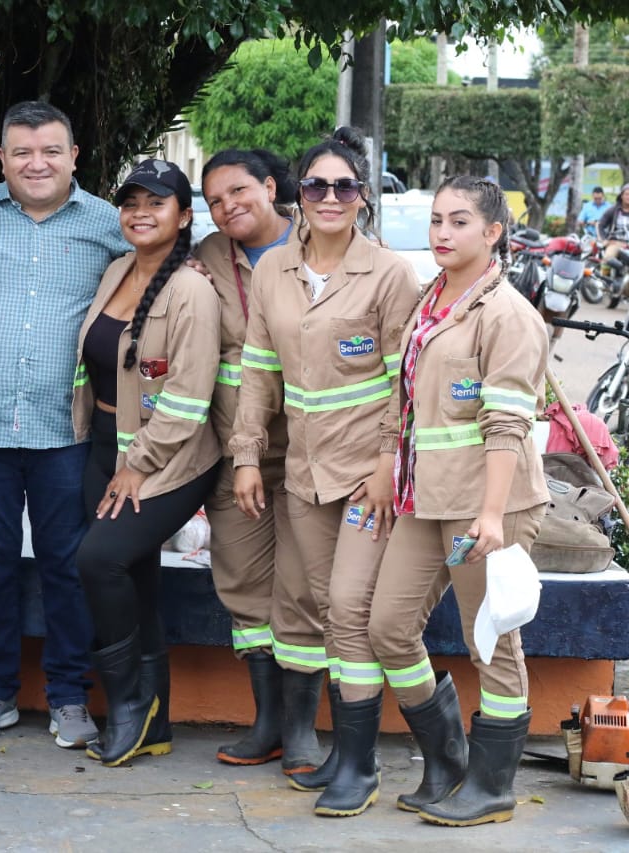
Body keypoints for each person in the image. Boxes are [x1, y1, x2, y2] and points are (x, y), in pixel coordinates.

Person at [230, 127, 419, 818]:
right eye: (317, 185)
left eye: (344, 186)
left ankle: (360, 765)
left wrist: (387, 462)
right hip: (303, 477)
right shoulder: (274, 269)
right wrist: (247, 453)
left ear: (362, 198)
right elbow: (258, 369)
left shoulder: (390, 274)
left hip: (365, 477)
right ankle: (344, 752)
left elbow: (408, 378)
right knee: (317, 612)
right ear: (297, 194)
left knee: (349, 609)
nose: (330, 197)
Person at [367, 176, 549, 826]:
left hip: (488, 503)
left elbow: (506, 425)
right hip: (426, 496)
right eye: (437, 219)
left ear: (493, 231)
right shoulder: (430, 299)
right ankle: (446, 761)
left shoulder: (509, 317)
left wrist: (494, 515)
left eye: (460, 221)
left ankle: (493, 785)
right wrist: (389, 467)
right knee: (388, 627)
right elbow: (405, 399)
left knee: (493, 643)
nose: (442, 232)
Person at [0, 100, 128, 749]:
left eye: (51, 150)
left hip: (67, 431)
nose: (37, 162)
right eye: (22, 151)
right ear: (0, 158)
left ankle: (67, 698)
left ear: (74, 156)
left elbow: (160, 275)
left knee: (66, 566)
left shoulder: (107, 223)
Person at [71, 159, 221, 766]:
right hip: (104, 441)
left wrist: (137, 463)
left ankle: (130, 704)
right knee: (135, 577)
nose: (140, 212)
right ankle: (152, 722)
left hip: (168, 457)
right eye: (131, 201)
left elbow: (188, 398)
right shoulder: (116, 272)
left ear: (183, 217)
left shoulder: (191, 290)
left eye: (156, 203)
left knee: (98, 560)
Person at [193, 149, 327, 775]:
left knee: (303, 590)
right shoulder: (205, 260)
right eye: (216, 200)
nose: (228, 207)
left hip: (310, 453)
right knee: (244, 586)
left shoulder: (321, 245)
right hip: (234, 454)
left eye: (239, 191)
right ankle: (267, 721)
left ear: (272, 188)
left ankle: (302, 730)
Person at [597, 183, 629, 269]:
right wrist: (604, 240)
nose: (628, 197)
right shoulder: (613, 210)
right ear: (621, 196)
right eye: (627, 194)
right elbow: (600, 225)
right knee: (607, 260)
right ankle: (603, 280)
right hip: (616, 243)